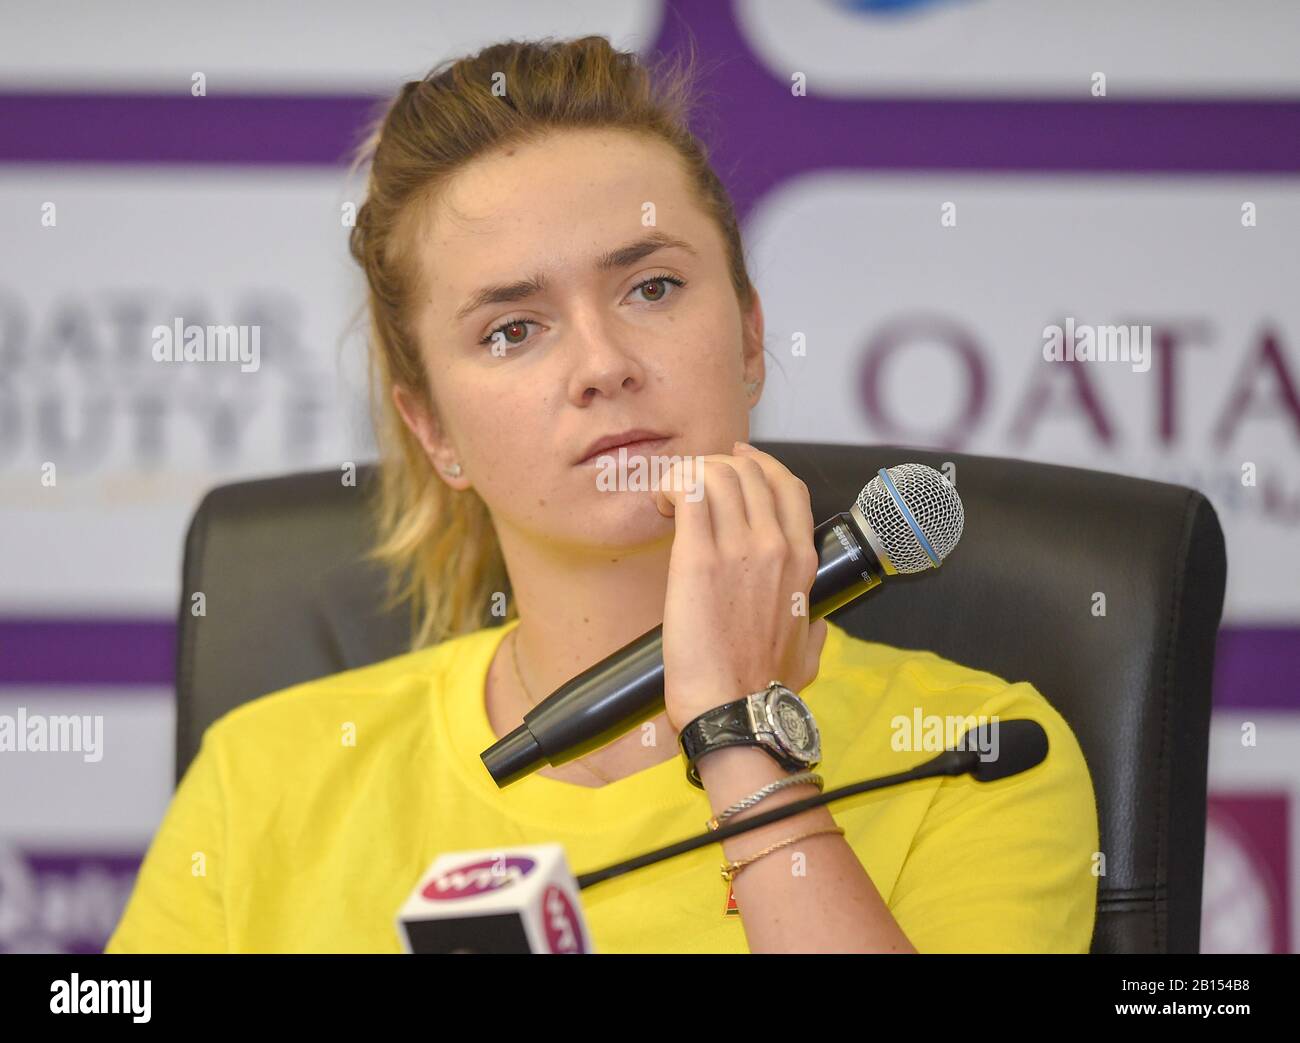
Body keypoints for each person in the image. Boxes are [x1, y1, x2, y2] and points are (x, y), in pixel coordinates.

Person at [105, 35, 1098, 954]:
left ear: (750, 340)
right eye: (513, 329)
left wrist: (740, 733)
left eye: (651, 288)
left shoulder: (981, 751)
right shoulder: (261, 775)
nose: (602, 363)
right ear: (434, 431)